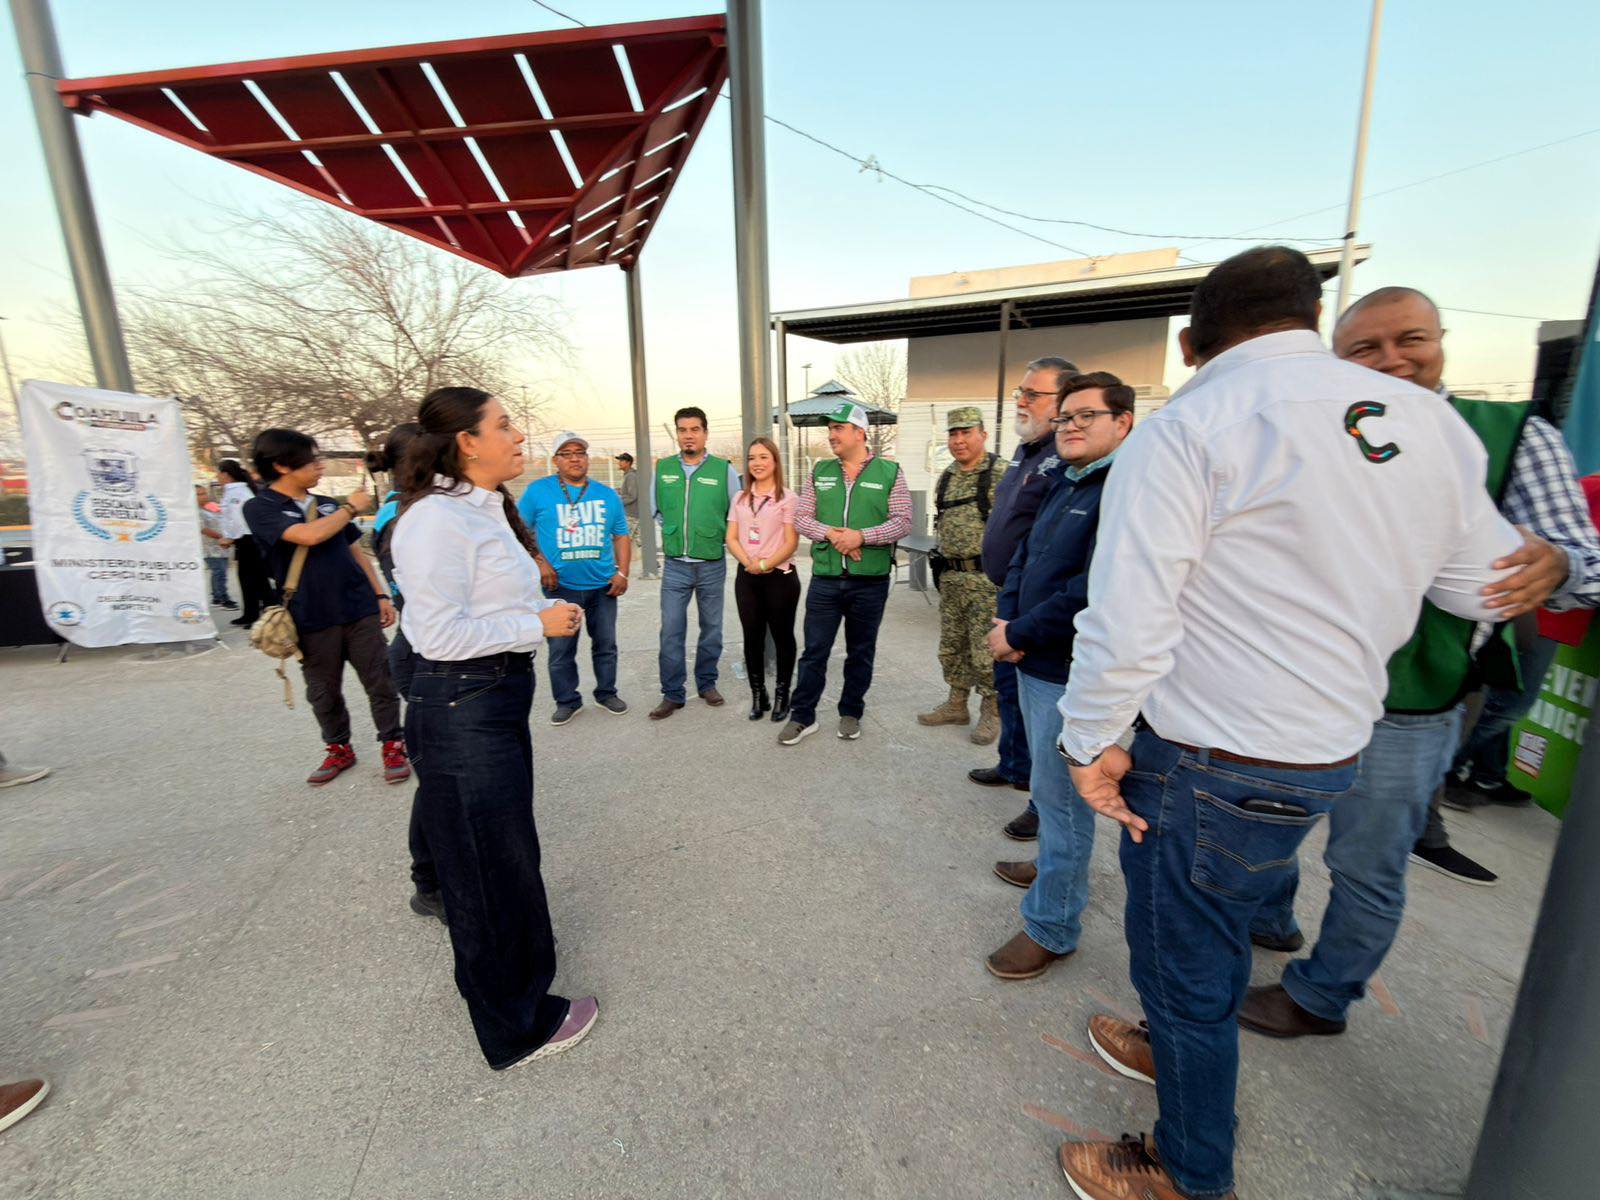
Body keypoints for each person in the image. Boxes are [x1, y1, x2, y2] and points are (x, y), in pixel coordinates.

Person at [1052, 247, 1521, 1200]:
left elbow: (1130, 616)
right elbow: (1483, 586)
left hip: (1208, 756)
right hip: (1332, 748)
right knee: (1218, 928)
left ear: (1189, 343)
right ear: (1316, 315)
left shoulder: (1190, 429)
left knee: (1186, 960)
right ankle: (1175, 1056)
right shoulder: (1430, 425)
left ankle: (1187, 1168)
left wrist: (1088, 740)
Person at [1240, 285, 1600, 1040]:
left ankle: (1320, 996)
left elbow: (1585, 557)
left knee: (1367, 863)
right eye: (1364, 349)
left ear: (1442, 341)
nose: (1391, 361)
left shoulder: (1504, 435)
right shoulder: (1304, 431)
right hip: (1294, 687)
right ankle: (1272, 923)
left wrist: (1558, 563)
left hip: (1408, 706)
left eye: (1411, 340)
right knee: (1261, 831)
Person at [391, 385, 597, 1070]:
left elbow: (487, 598)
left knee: (506, 857)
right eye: (503, 426)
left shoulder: (483, 509)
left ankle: (521, 990)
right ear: (466, 443)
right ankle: (516, 1025)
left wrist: (537, 609)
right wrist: (533, 623)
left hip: (494, 695)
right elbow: (440, 635)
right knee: (488, 871)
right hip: (461, 702)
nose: (517, 437)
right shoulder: (435, 522)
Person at [984, 373, 1135, 979]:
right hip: (1033, 655)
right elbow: (1025, 554)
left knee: (1064, 799)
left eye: (1086, 416)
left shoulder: (1122, 488)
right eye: (1065, 416)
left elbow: (1091, 589)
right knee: (1048, 792)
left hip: (1069, 668)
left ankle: (1053, 924)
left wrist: (1019, 634)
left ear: (1123, 422)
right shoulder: (1065, 477)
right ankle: (1054, 871)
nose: (1070, 426)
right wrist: (1008, 617)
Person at [243, 429, 410, 788]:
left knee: (380, 680)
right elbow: (309, 536)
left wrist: (380, 595)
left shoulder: (327, 505)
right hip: (310, 616)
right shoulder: (261, 507)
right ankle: (338, 748)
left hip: (358, 609)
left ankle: (393, 744)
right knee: (323, 690)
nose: (319, 466)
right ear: (282, 466)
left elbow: (354, 551)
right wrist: (352, 506)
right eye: (311, 460)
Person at [967, 357, 1078, 843]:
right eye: (1021, 392)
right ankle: (1013, 765)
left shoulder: (1065, 455)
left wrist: (1018, 612)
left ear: (1064, 403)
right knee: (1010, 690)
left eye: (1034, 394)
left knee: (1043, 708)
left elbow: (1047, 542)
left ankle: (1041, 799)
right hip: (1009, 597)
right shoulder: (1028, 449)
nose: (1022, 401)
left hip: (1039, 610)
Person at [777, 402, 912, 744]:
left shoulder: (890, 473)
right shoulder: (819, 471)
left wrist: (862, 537)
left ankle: (851, 711)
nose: (831, 434)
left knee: (861, 651)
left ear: (859, 433)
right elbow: (803, 518)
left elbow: (902, 521)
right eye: (830, 429)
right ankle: (802, 716)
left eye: (838, 428)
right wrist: (837, 536)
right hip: (826, 579)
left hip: (870, 581)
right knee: (814, 651)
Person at [369, 422, 441, 923]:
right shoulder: (406, 516)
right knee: (438, 779)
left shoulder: (419, 507)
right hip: (422, 653)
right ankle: (429, 881)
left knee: (440, 778)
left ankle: (432, 876)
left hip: (422, 647)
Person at [517, 431, 632, 724]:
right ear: (556, 460)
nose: (574, 458)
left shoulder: (606, 495)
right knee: (561, 648)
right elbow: (520, 532)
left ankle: (606, 692)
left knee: (605, 644)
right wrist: (540, 563)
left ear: (587, 458)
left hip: (603, 585)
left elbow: (621, 535)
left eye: (579, 452)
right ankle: (567, 700)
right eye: (566, 453)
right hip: (560, 587)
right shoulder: (537, 492)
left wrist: (622, 572)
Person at [917, 407, 1007, 744]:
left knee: (986, 651)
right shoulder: (947, 477)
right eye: (953, 434)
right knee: (952, 646)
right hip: (952, 578)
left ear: (982, 434)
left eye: (966, 432)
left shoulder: (1001, 474)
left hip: (986, 582)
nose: (959, 441)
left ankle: (990, 711)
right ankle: (957, 704)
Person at [648, 408, 742, 719]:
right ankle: (672, 693)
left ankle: (706, 683)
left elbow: (736, 513)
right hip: (676, 566)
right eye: (683, 429)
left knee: (712, 628)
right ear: (677, 433)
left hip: (711, 563)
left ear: (705, 433)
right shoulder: (663, 470)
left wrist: (713, 535)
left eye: (695, 429)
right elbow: (656, 510)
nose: (688, 435)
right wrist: (674, 531)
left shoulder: (723, 470)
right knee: (672, 630)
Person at [727, 436, 800, 721]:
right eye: (752, 458)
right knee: (751, 637)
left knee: (782, 637)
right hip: (748, 576)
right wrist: (750, 564)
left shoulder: (788, 498)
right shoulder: (740, 498)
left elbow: (791, 542)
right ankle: (759, 695)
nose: (757, 463)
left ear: (775, 462)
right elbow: (731, 537)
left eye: (763, 457)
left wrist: (766, 563)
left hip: (780, 577)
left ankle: (783, 694)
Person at [217, 459, 271, 627]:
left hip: (249, 539)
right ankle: (255, 613)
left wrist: (231, 537)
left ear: (225, 474)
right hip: (244, 540)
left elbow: (242, 520)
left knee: (252, 579)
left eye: (218, 473)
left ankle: (259, 614)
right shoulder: (233, 491)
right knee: (255, 579)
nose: (217, 476)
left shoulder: (239, 492)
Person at [195, 483, 236, 610]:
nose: (203, 496)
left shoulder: (209, 507)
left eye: (204, 493)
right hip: (209, 547)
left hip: (220, 547)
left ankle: (216, 598)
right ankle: (224, 598)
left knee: (219, 572)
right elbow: (203, 529)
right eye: (199, 494)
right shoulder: (195, 512)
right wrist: (221, 537)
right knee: (219, 572)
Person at [615, 451, 641, 555]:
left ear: (628, 463)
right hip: (635, 514)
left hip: (631, 514)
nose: (619, 463)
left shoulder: (630, 476)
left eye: (622, 460)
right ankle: (652, 562)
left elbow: (632, 496)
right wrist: (620, 491)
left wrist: (618, 502)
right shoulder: (630, 475)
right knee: (640, 541)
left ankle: (620, 564)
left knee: (623, 540)